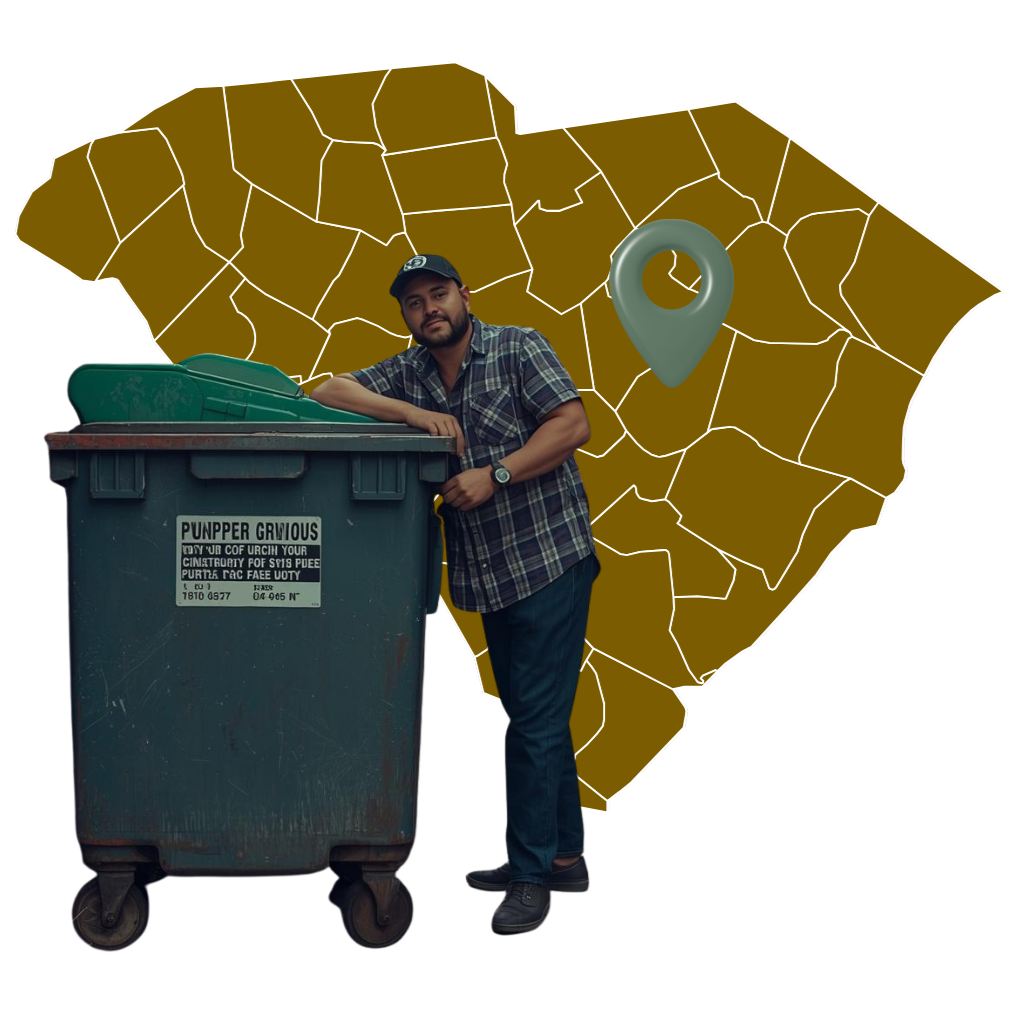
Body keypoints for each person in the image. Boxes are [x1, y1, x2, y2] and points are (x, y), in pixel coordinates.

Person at [310, 254, 600, 936]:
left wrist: (494, 474)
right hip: (492, 573)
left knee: (531, 722)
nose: (428, 309)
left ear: (465, 296)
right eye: (414, 302)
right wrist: (407, 412)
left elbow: (572, 425)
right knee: (537, 712)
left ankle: (530, 879)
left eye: (438, 294)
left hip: (549, 559)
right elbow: (326, 391)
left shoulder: (517, 346)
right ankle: (564, 855)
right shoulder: (411, 370)